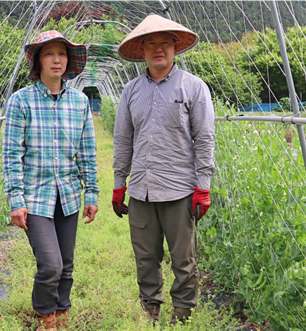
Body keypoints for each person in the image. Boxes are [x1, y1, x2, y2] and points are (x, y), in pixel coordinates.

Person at [112, 14, 215, 325]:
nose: (159, 49)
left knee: (184, 260)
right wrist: (120, 183)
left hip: (180, 190)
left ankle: (182, 314)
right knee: (145, 258)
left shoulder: (194, 87)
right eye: (151, 43)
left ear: (175, 47)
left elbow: (204, 138)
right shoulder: (130, 91)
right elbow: (122, 139)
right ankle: (150, 312)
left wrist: (203, 186)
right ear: (142, 50)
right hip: (141, 190)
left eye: (165, 43)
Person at [3, 30, 99, 331]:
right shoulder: (21, 102)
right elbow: (11, 155)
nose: (56, 59)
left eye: (62, 53)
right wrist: (16, 201)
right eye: (49, 53)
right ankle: (45, 315)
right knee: (51, 264)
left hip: (68, 195)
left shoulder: (80, 102)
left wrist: (91, 194)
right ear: (38, 61)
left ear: (68, 61)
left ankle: (61, 314)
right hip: (36, 197)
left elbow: (87, 152)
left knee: (66, 266)